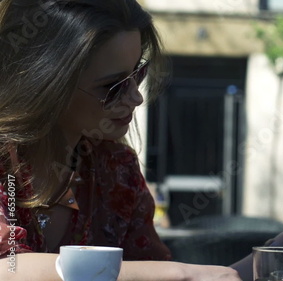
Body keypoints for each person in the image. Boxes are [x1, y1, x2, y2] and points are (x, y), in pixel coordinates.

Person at [0, 1, 241, 280]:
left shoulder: (116, 169)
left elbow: (149, 267)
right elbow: (8, 269)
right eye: (112, 86)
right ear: (43, 83)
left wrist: (277, 250)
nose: (136, 97)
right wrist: (181, 273)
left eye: (137, 73)